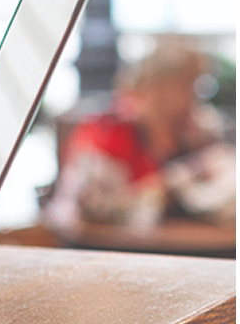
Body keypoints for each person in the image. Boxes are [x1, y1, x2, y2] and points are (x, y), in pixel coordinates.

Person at [48, 39, 235, 231]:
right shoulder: (109, 132)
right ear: (156, 86)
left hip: (175, 245)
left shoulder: (193, 132)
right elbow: (92, 212)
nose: (192, 97)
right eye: (185, 85)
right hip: (110, 248)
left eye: (196, 86)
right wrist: (166, 188)